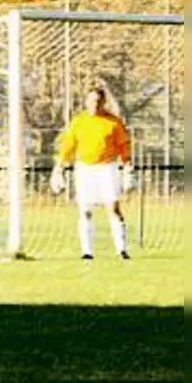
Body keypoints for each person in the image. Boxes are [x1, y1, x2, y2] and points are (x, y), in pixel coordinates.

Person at [49, 84, 133, 260]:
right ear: (86, 102)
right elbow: (68, 146)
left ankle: (122, 250)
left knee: (113, 208)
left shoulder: (114, 122)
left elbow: (124, 145)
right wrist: (59, 168)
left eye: (98, 101)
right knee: (85, 210)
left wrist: (127, 168)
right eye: (91, 100)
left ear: (103, 102)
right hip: (84, 169)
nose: (94, 104)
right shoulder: (79, 122)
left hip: (107, 168)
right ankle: (87, 252)